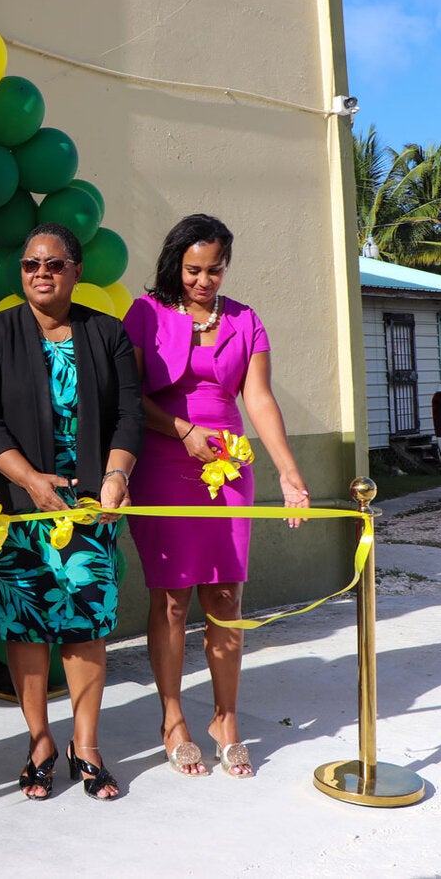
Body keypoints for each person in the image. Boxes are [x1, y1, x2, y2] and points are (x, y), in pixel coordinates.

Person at [122, 213, 310, 779]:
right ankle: (173, 719)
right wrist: (181, 430)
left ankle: (225, 720)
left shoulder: (245, 320)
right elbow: (127, 398)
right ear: (175, 265)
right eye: (193, 270)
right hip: (163, 464)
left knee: (226, 596)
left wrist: (289, 473)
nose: (204, 281)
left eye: (215, 270)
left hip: (228, 469)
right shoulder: (146, 313)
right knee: (172, 599)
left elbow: (260, 399)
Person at [0, 223, 143, 802]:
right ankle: (39, 741)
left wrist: (116, 476)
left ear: (76, 271)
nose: (41, 273)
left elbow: (130, 415)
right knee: (26, 625)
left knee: (85, 624)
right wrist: (31, 482)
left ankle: (85, 745)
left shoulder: (107, 333)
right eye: (30, 264)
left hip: (89, 506)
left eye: (54, 263)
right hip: (18, 506)